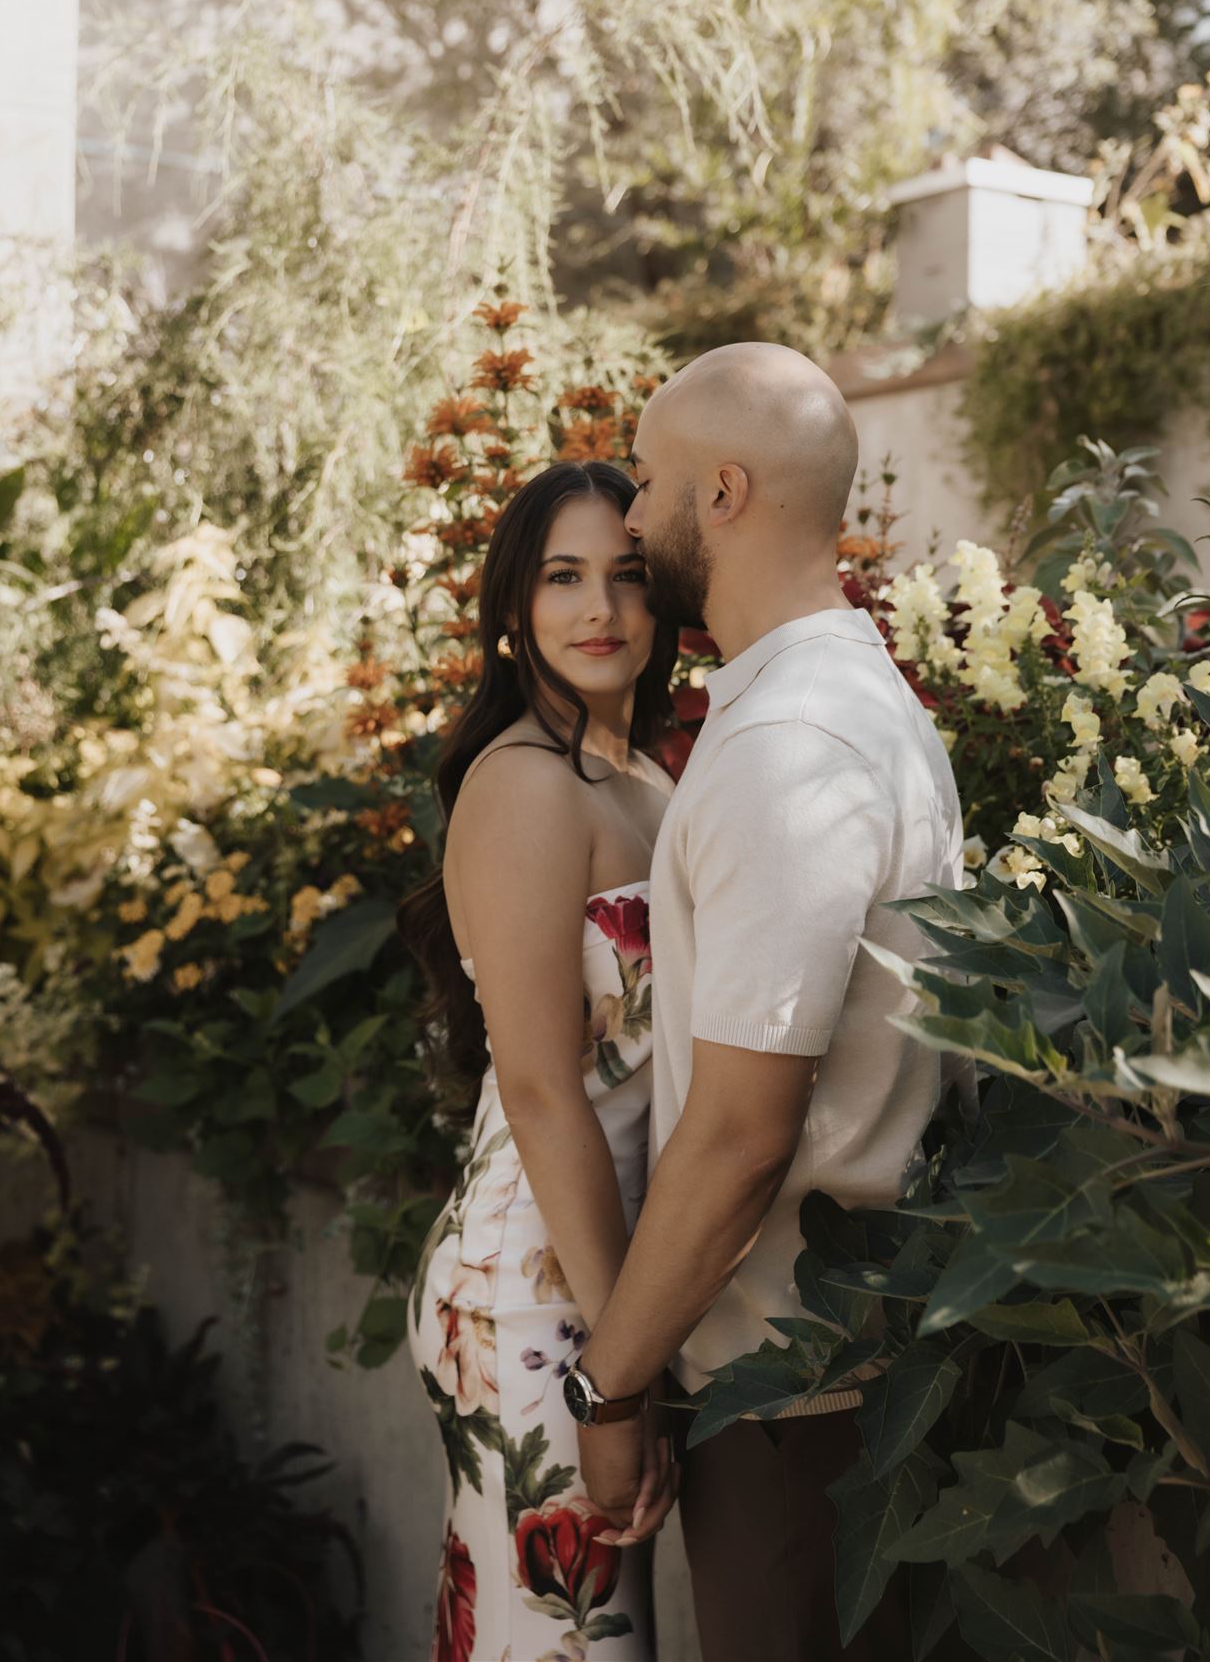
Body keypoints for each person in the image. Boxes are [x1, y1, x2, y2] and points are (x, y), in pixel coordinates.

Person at [566, 345, 966, 1662]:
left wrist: (610, 1383)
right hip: (841, 1368)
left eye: (649, 477)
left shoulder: (786, 751)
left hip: (793, 1397)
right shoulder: (853, 702)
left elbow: (741, 1136)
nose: (628, 517)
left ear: (722, 492)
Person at [401, 459, 682, 1662]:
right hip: (537, 1288)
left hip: (605, 1277)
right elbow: (537, 1086)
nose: (600, 609)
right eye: (563, 577)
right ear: (514, 611)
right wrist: (613, 1378)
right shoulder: (523, 784)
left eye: (626, 575)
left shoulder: (642, 773)